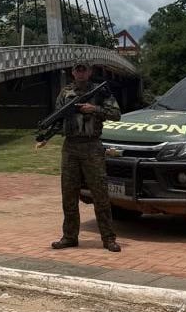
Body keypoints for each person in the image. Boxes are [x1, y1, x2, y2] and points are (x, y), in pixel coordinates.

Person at [35, 59, 122, 252]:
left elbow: (116, 114)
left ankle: (108, 238)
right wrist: (46, 137)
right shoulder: (65, 93)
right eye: (78, 70)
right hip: (71, 147)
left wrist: (95, 109)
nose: (81, 73)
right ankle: (69, 236)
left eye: (84, 70)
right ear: (73, 72)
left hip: (92, 146)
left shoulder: (100, 91)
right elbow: (58, 118)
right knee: (69, 194)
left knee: (100, 194)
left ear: (89, 72)